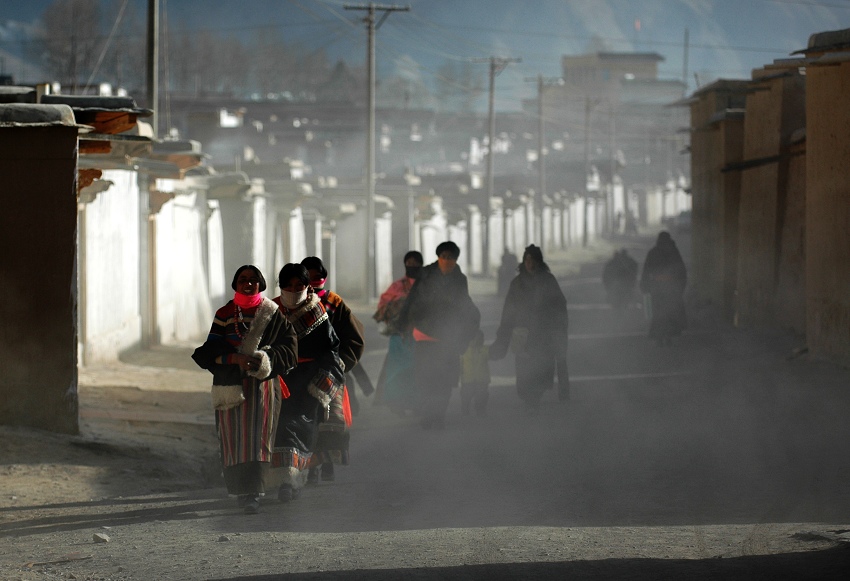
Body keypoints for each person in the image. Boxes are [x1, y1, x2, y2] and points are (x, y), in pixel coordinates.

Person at [191, 265, 298, 515]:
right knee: (235, 440)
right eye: (243, 280)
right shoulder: (225, 313)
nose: (248, 284)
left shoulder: (273, 314)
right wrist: (235, 360)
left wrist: (264, 358)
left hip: (262, 387)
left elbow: (290, 347)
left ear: (261, 284)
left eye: (253, 280)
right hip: (231, 386)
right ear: (235, 284)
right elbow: (210, 350)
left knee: (258, 439)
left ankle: (254, 493)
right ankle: (241, 490)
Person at [271, 263, 345, 501]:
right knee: (280, 429)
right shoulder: (270, 311)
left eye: (299, 285)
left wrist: (321, 384)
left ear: (307, 286)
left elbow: (331, 352)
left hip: (308, 383)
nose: (294, 290)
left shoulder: (318, 314)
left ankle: (291, 480)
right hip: (279, 381)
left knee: (298, 429)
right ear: (281, 286)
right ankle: (285, 481)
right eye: (288, 285)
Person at [398, 241, 480, 429]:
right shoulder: (426, 275)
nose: (447, 261)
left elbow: (463, 306)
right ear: (438, 257)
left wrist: (467, 331)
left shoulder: (460, 279)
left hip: (447, 338)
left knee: (444, 381)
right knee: (426, 379)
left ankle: (439, 416)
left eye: (451, 258)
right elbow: (412, 299)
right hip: (425, 336)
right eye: (444, 257)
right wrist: (403, 324)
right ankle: (429, 415)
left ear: (456, 260)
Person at [301, 256, 366, 484]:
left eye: (318, 276)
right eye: (308, 276)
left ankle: (327, 462)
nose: (314, 281)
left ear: (324, 278)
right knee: (308, 420)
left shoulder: (335, 303)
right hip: (302, 371)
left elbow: (353, 338)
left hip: (331, 372)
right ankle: (310, 468)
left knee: (330, 421)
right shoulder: (293, 304)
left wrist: (342, 363)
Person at [490, 244, 570, 413]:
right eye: (527, 260)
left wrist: (559, 331)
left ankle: (535, 398)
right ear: (523, 262)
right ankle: (529, 398)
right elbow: (508, 314)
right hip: (523, 336)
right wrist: (502, 340)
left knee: (541, 369)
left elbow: (560, 306)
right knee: (525, 371)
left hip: (544, 335)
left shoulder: (548, 281)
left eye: (533, 260)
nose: (530, 263)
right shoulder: (517, 284)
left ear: (539, 262)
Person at [373, 250, 423, 415]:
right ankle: (397, 403)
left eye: (415, 264)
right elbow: (382, 306)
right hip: (399, 337)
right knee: (396, 371)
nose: (412, 266)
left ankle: (417, 403)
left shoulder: (426, 285)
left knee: (418, 370)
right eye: (409, 263)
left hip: (421, 337)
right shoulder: (397, 286)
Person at [640, 231, 687, 346]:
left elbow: (646, 271)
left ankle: (660, 337)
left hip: (657, 288)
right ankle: (667, 336)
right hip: (670, 288)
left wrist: (645, 286)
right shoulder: (673, 252)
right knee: (670, 312)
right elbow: (681, 271)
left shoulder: (653, 252)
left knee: (658, 313)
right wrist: (680, 287)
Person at [460, 329, 490, 417]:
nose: (481, 340)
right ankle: (468, 410)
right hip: (471, 379)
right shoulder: (464, 351)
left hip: (476, 379)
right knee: (467, 396)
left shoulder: (483, 349)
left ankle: (479, 410)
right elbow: (459, 363)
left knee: (480, 396)